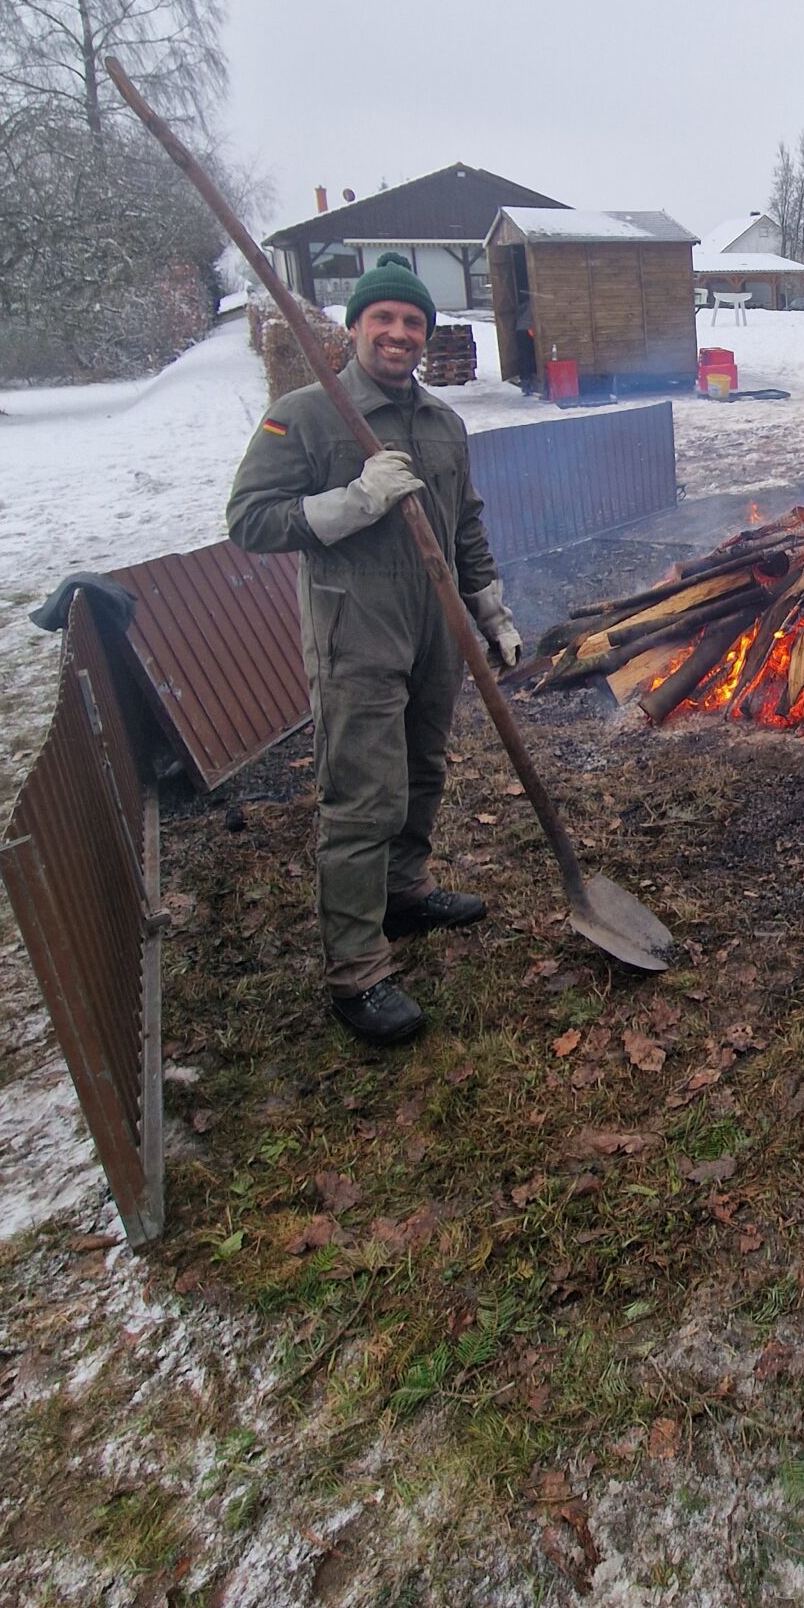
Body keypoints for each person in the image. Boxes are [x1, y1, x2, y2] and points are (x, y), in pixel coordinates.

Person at [228, 254, 522, 1045]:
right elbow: (249, 520)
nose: (399, 333)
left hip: (436, 625)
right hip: (355, 625)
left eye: (413, 321)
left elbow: (465, 524)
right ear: (355, 326)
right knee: (363, 795)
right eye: (384, 318)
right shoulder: (307, 415)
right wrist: (352, 502)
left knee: (423, 767)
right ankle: (356, 970)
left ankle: (403, 891)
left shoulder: (442, 422)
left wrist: (490, 612)